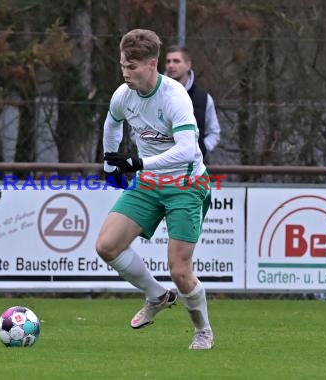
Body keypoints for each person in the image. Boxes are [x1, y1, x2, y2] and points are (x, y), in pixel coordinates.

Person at [95, 29, 214, 350]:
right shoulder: (123, 94)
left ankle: (203, 331)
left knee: (179, 270)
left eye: (132, 66)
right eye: (122, 65)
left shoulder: (174, 97)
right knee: (106, 246)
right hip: (149, 183)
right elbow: (111, 123)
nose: (125, 72)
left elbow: (188, 150)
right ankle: (156, 295)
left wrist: (137, 163)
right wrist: (109, 166)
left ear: (151, 64)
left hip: (185, 185)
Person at [165, 46, 220, 163]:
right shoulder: (154, 96)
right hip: (159, 169)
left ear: (188, 65)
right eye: (168, 61)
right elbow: (137, 129)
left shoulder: (204, 99)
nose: (171, 65)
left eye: (176, 61)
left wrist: (200, 148)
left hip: (194, 169)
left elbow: (214, 132)